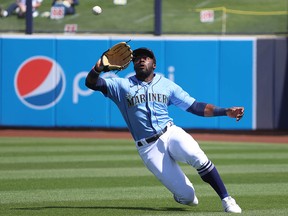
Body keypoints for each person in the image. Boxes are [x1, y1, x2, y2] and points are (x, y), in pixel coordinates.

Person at [85, 47, 244, 213]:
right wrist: (98, 69)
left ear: (154, 64)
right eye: (137, 58)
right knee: (189, 199)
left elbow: (195, 106)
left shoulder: (167, 85)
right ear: (132, 64)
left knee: (196, 155)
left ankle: (227, 199)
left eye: (145, 57)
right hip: (148, 148)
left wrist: (225, 111)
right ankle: (181, 194)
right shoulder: (121, 86)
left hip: (170, 133)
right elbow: (91, 83)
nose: (140, 60)